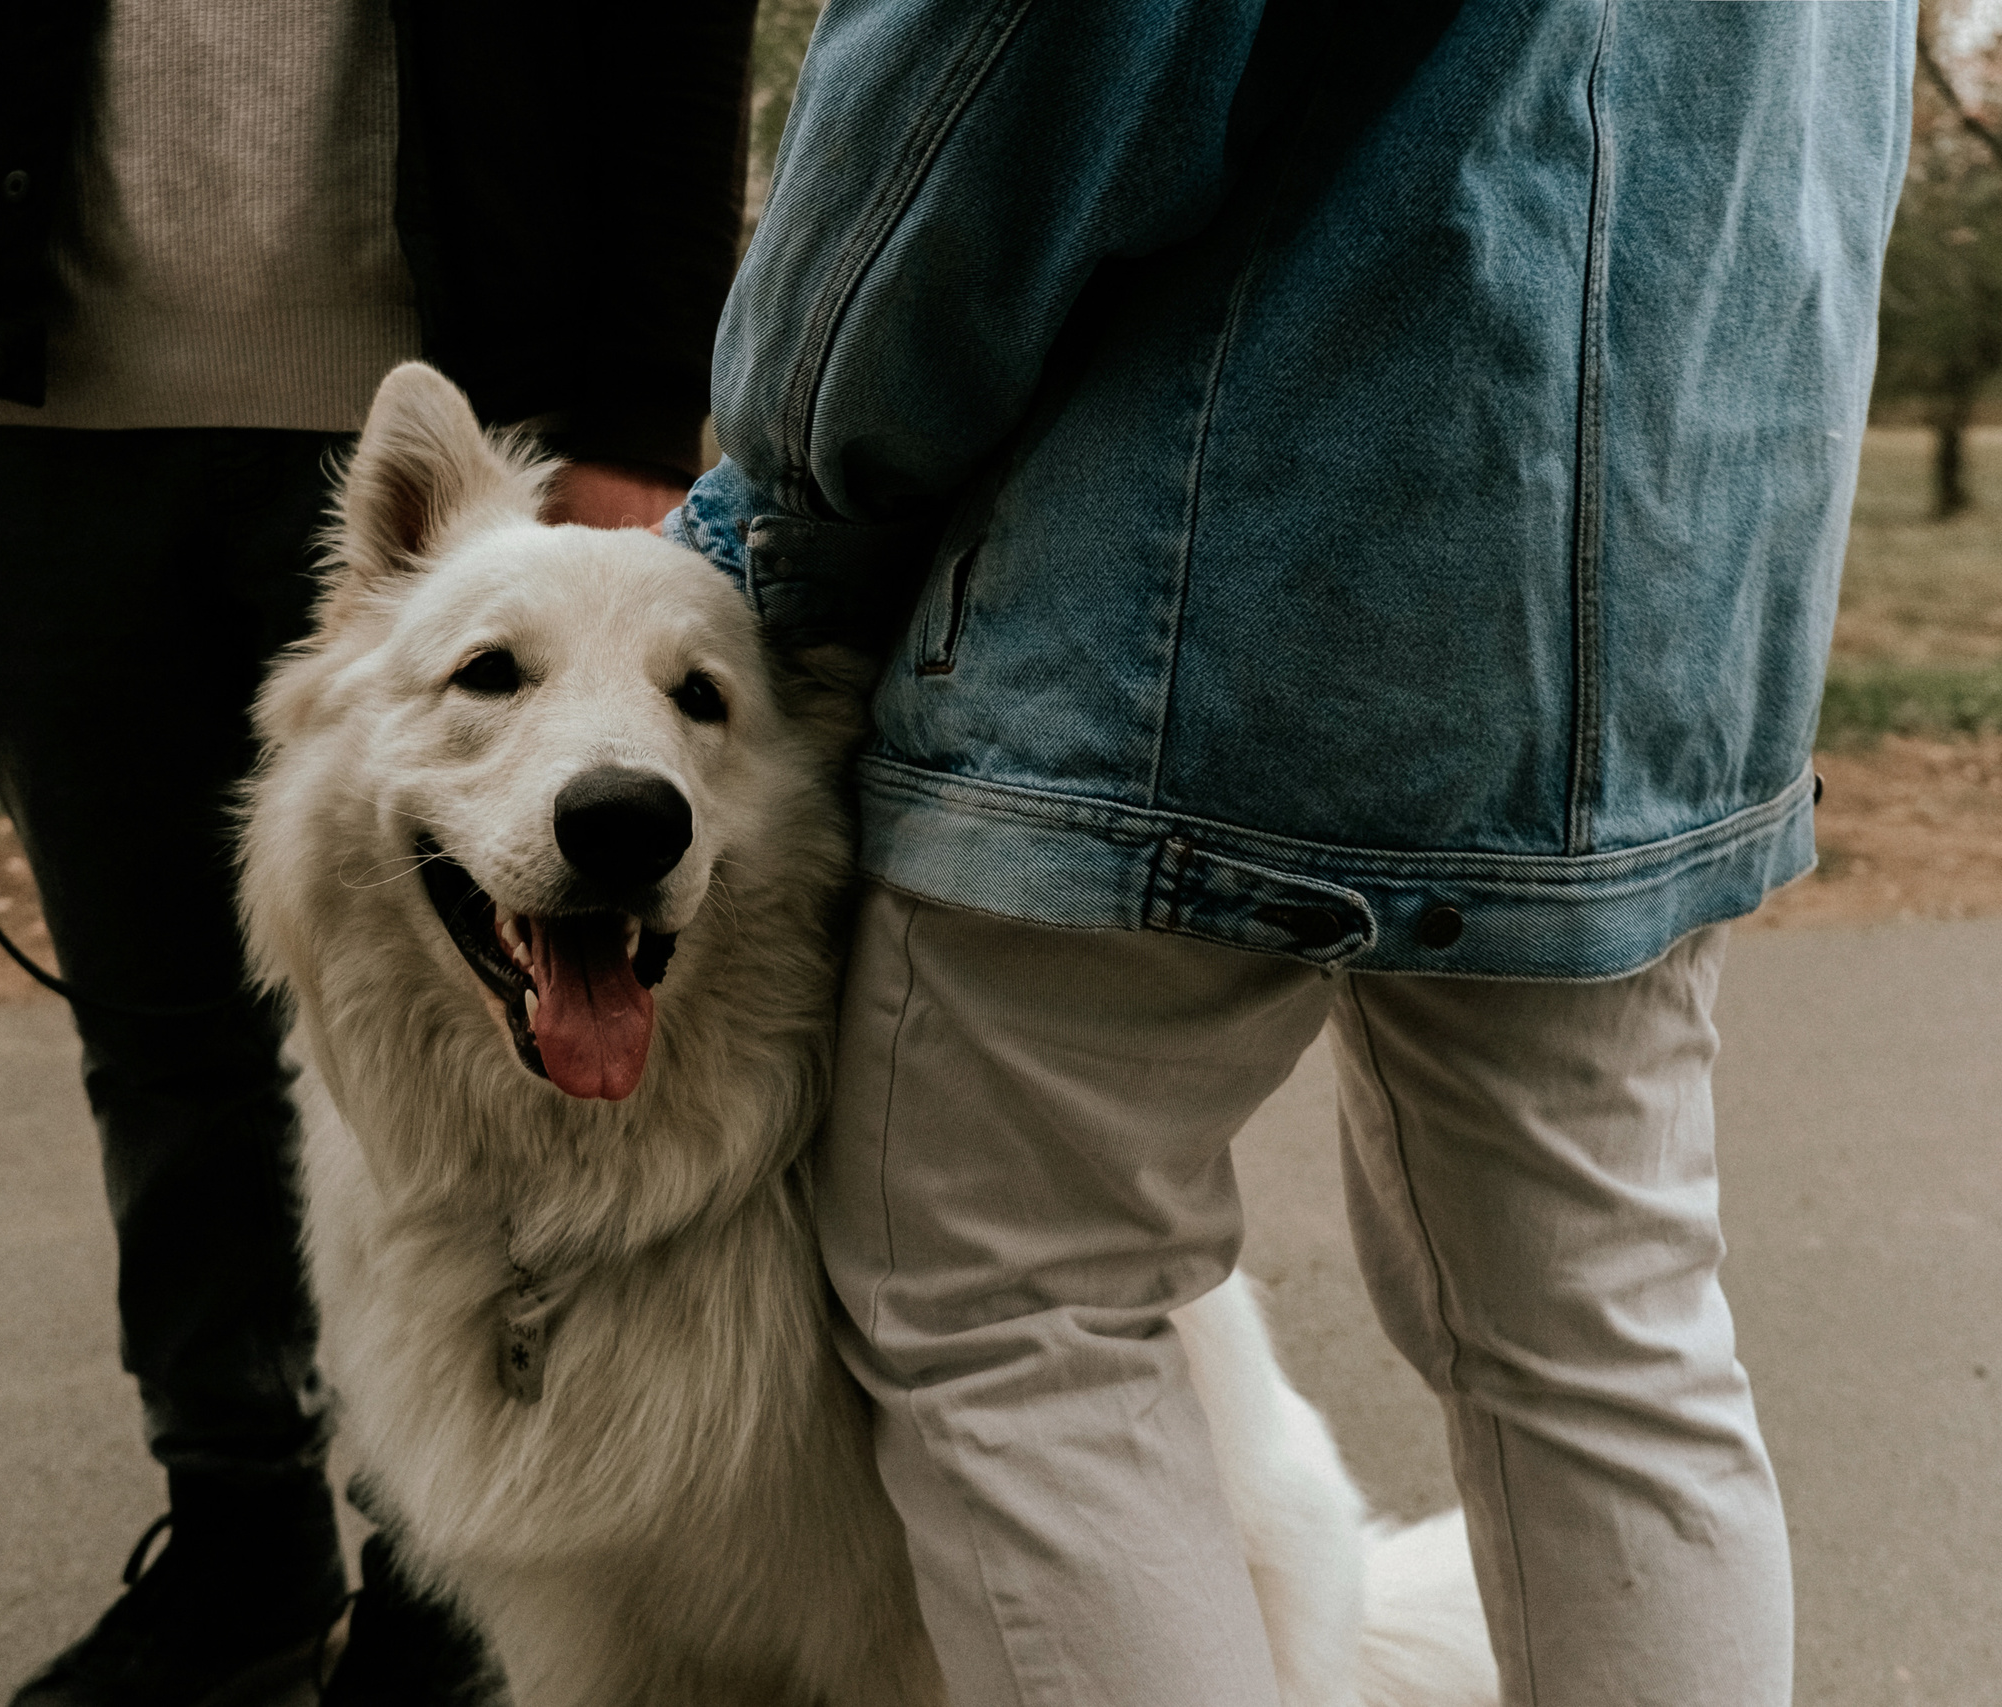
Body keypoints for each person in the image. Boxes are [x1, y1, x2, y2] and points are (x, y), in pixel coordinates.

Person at [670, 2, 1912, 1704]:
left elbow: (1015, 59)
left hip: (1197, 565)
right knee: (1605, 1336)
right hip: (1662, 592)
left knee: (1013, 1300)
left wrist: (804, 461)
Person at [0, 3, 756, 1703]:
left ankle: (447, 1589)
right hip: (59, 431)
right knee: (158, 1034)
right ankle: (241, 1546)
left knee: (491, 1036)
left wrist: (646, 412)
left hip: (462, 430)